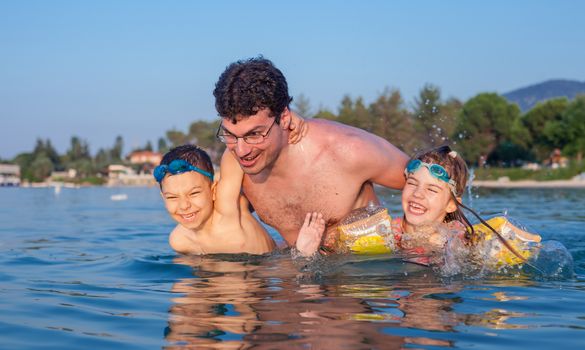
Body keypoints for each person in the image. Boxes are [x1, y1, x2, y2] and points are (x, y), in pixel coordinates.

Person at [213, 57, 409, 250]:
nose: (241, 151)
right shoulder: (236, 168)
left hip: (366, 276)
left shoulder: (348, 151)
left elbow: (433, 182)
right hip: (295, 277)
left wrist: (416, 237)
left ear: (284, 118)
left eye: (254, 134)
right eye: (230, 135)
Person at [296, 145, 542, 269]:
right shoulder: (386, 232)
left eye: (432, 190)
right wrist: (307, 252)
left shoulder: (459, 238)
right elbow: (326, 264)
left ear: (450, 204)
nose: (417, 194)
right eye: (412, 183)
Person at [155, 113, 307, 255]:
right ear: (162, 197)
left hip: (277, 263)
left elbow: (234, 151)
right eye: (172, 197)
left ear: (214, 190)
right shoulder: (179, 241)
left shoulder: (227, 209)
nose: (184, 206)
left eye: (194, 193)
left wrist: (281, 118)